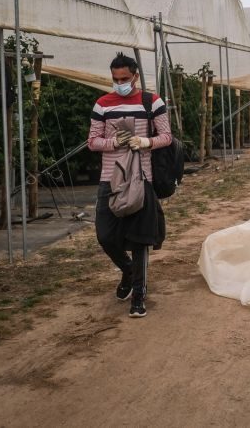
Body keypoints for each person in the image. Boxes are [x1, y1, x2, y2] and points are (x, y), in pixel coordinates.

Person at [88, 53, 171, 317]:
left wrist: (146, 142)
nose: (120, 83)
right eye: (115, 79)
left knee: (139, 239)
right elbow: (92, 141)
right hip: (110, 179)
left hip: (141, 177)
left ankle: (139, 295)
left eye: (124, 78)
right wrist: (115, 142)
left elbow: (166, 136)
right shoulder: (103, 104)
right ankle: (128, 270)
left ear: (135, 76)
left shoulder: (152, 102)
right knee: (105, 235)